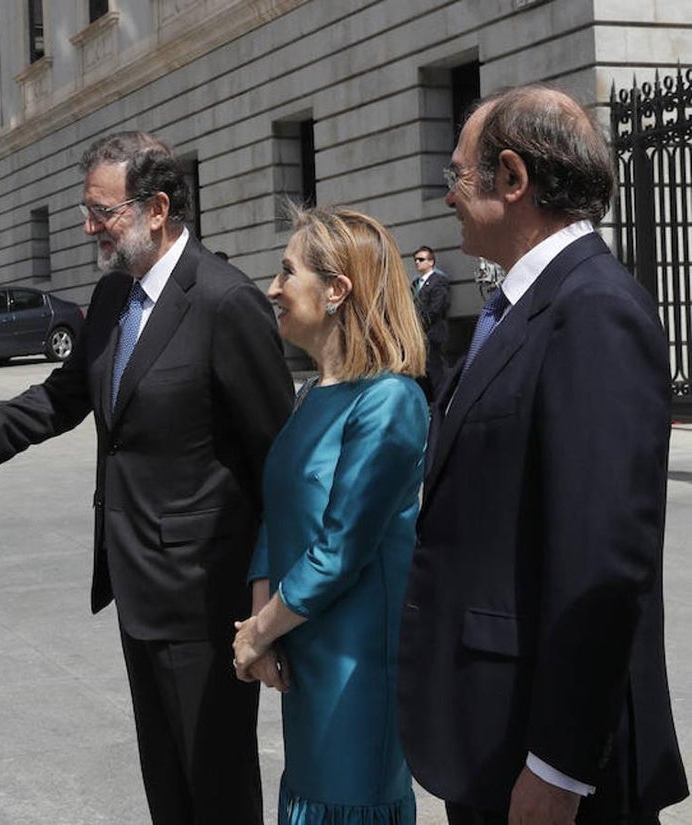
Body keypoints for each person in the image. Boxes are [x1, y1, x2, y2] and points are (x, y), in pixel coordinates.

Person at [0, 131, 293, 824]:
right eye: (86, 210)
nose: (89, 226)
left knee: (215, 786)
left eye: (103, 212)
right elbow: (60, 399)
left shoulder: (224, 300)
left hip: (204, 598)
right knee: (167, 785)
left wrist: (274, 606)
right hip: (135, 589)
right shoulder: (110, 299)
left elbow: (279, 457)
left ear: (156, 208)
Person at [398, 84, 688, 825]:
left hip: (545, 756)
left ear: (514, 179)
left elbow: (603, 561)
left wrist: (558, 764)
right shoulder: (522, 304)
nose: (448, 198)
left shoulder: (592, 310)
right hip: (490, 727)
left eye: (456, 177)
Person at [231, 205, 428, 825]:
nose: (272, 289)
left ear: (337, 290)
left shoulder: (390, 401)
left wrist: (259, 631)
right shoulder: (313, 394)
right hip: (303, 647)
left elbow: (342, 548)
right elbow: (277, 513)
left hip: (357, 666)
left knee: (349, 802)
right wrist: (263, 628)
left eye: (287, 272)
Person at [411, 244, 450, 400]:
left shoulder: (438, 281)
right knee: (421, 372)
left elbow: (436, 309)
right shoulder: (415, 284)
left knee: (435, 372)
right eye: (415, 260)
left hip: (432, 334)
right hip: (419, 336)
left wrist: (416, 323)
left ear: (431, 262)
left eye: (421, 259)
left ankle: (441, 403)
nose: (417, 263)